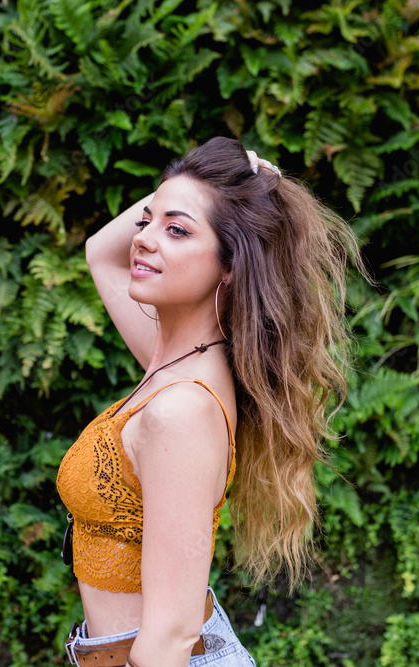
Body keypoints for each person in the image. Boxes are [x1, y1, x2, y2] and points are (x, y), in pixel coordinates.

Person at [56, 136, 362, 667]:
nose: (143, 239)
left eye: (176, 231)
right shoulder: (172, 361)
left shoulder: (182, 409)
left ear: (230, 264)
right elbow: (101, 252)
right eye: (146, 222)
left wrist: (220, 198)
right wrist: (212, 185)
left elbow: (172, 636)